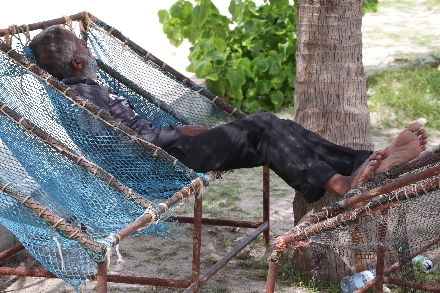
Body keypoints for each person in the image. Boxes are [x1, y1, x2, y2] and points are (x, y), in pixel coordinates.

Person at [28, 25, 428, 204]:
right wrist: (179, 134)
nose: (90, 48)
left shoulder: (80, 91)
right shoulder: (82, 99)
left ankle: (363, 166)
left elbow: (129, 136)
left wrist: (176, 131)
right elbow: (130, 147)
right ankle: (342, 183)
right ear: (78, 61)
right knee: (264, 125)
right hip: (158, 167)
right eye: (84, 44)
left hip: (160, 154)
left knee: (275, 128)